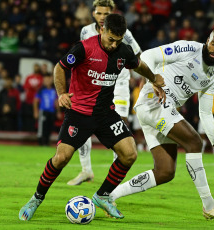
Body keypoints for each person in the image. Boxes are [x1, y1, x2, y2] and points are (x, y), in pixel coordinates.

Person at [19, 14, 165, 221]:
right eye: (111, 39)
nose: (114, 45)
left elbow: (137, 64)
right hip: (79, 113)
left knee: (129, 154)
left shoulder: (124, 51)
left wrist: (153, 78)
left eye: (118, 40)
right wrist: (61, 93)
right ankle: (36, 198)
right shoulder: (83, 48)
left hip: (106, 114)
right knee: (61, 158)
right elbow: (59, 68)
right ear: (102, 30)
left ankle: (102, 196)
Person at [110, 28, 214, 220]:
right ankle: (209, 205)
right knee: (195, 142)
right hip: (153, 101)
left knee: (165, 172)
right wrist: (152, 79)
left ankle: (109, 196)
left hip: (160, 110)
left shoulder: (212, 76)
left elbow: (205, 113)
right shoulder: (188, 48)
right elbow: (148, 55)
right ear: (207, 40)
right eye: (213, 44)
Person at [67, 0, 143, 186]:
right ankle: (86, 170)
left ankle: (113, 181)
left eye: (106, 14)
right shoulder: (85, 31)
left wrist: (140, 78)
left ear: (112, 14)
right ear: (93, 13)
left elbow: (138, 55)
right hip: (94, 85)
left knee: (120, 130)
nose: (102, 18)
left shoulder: (123, 33)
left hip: (119, 85)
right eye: (99, 13)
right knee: (83, 124)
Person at [33, 74, 58, 146]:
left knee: (49, 127)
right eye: (45, 80)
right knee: (42, 128)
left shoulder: (54, 90)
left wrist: (58, 111)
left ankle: (47, 142)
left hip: (52, 111)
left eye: (48, 79)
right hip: (43, 111)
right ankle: (41, 142)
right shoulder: (41, 90)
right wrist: (35, 112)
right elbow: (35, 101)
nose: (47, 81)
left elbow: (56, 101)